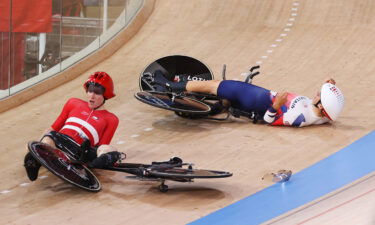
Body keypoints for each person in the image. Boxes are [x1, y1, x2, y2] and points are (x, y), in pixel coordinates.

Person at [150, 70, 345, 127]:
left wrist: (276, 105)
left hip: (260, 102)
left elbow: (268, 121)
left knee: (219, 85)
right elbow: (331, 113)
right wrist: (330, 85)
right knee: (225, 92)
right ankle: (219, 105)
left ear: (321, 105)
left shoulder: (300, 118)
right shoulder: (324, 114)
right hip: (263, 97)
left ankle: (169, 85)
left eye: (320, 95)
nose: (317, 93)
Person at [24, 71, 122, 181]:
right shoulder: (73, 103)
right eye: (90, 90)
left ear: (106, 95)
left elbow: (101, 146)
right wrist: (35, 146)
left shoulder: (111, 119)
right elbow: (53, 128)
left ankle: (95, 165)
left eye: (97, 92)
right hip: (62, 142)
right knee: (49, 136)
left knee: (107, 148)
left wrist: (102, 154)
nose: (92, 95)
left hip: (83, 150)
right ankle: (34, 161)